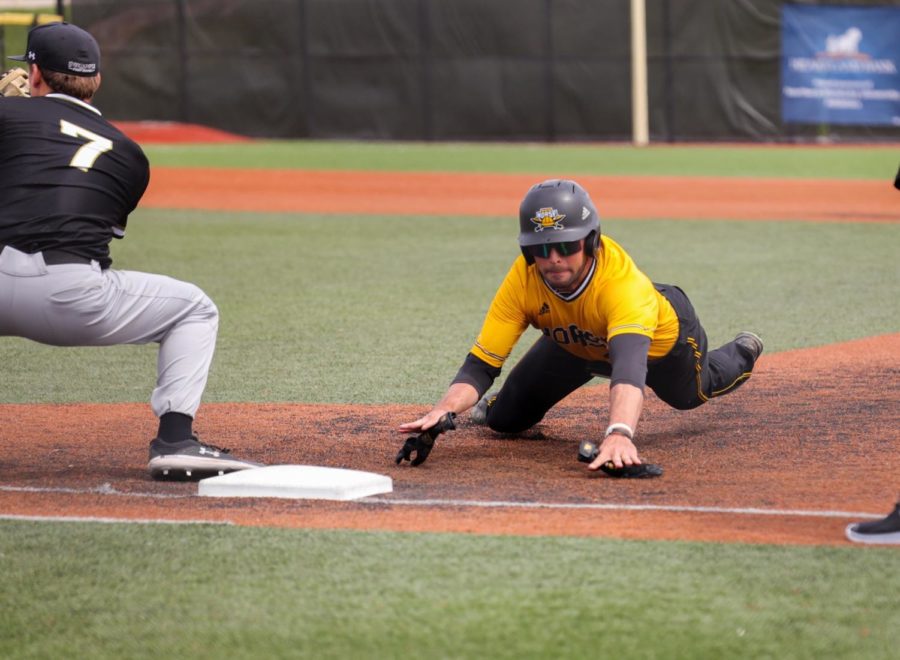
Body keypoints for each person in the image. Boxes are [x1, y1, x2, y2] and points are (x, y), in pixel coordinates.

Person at [0, 22, 259, 479]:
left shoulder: (7, 115)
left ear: (34, 75)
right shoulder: (129, 154)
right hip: (71, 294)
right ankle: (176, 440)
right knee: (194, 309)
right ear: (95, 83)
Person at [399, 179, 763, 473]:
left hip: (657, 345)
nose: (553, 258)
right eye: (540, 248)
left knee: (692, 395)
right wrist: (442, 409)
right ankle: (502, 404)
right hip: (576, 343)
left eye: (565, 245)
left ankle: (743, 352)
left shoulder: (623, 287)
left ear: (590, 241)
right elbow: (482, 362)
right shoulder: (524, 278)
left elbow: (629, 370)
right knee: (505, 421)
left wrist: (619, 434)